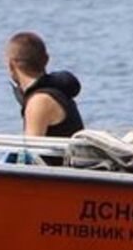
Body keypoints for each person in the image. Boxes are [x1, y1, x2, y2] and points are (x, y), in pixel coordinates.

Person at [5, 31, 84, 160]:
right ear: (47, 60)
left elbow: (29, 156)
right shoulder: (56, 92)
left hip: (59, 177)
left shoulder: (40, 101)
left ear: (11, 65)